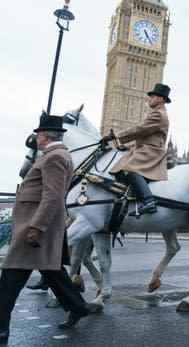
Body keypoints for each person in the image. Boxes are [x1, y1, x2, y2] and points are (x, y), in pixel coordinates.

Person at [0, 115, 102, 345]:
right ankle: (78, 307)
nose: (36, 138)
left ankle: (1, 330)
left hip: (33, 229)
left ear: (44, 136)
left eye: (38, 134)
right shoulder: (53, 156)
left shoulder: (55, 157)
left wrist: (37, 226)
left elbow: (53, 196)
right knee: (52, 273)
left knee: (9, 281)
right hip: (37, 227)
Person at [107, 83, 171, 216]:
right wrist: (126, 146)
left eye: (153, 96)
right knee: (119, 169)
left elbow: (140, 129)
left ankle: (149, 201)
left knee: (129, 168)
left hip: (152, 152)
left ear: (161, 99)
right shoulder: (156, 113)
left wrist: (118, 136)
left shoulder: (159, 115)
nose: (150, 99)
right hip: (145, 148)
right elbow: (144, 137)